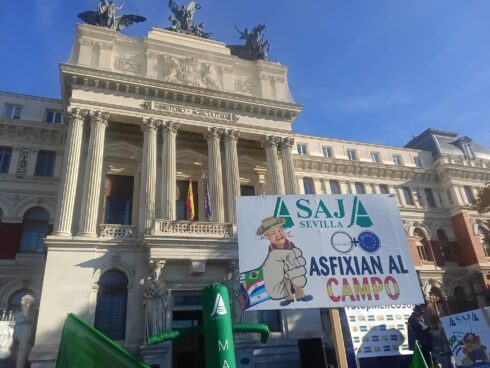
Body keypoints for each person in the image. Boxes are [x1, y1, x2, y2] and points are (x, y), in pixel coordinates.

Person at [256, 217, 313, 306]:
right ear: (267, 237)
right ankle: (288, 296)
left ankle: (300, 293)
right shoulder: (272, 250)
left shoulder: (290, 244)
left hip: (293, 271)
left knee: (295, 270)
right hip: (282, 274)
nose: (278, 234)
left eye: (280, 230)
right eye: (273, 233)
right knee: (283, 275)